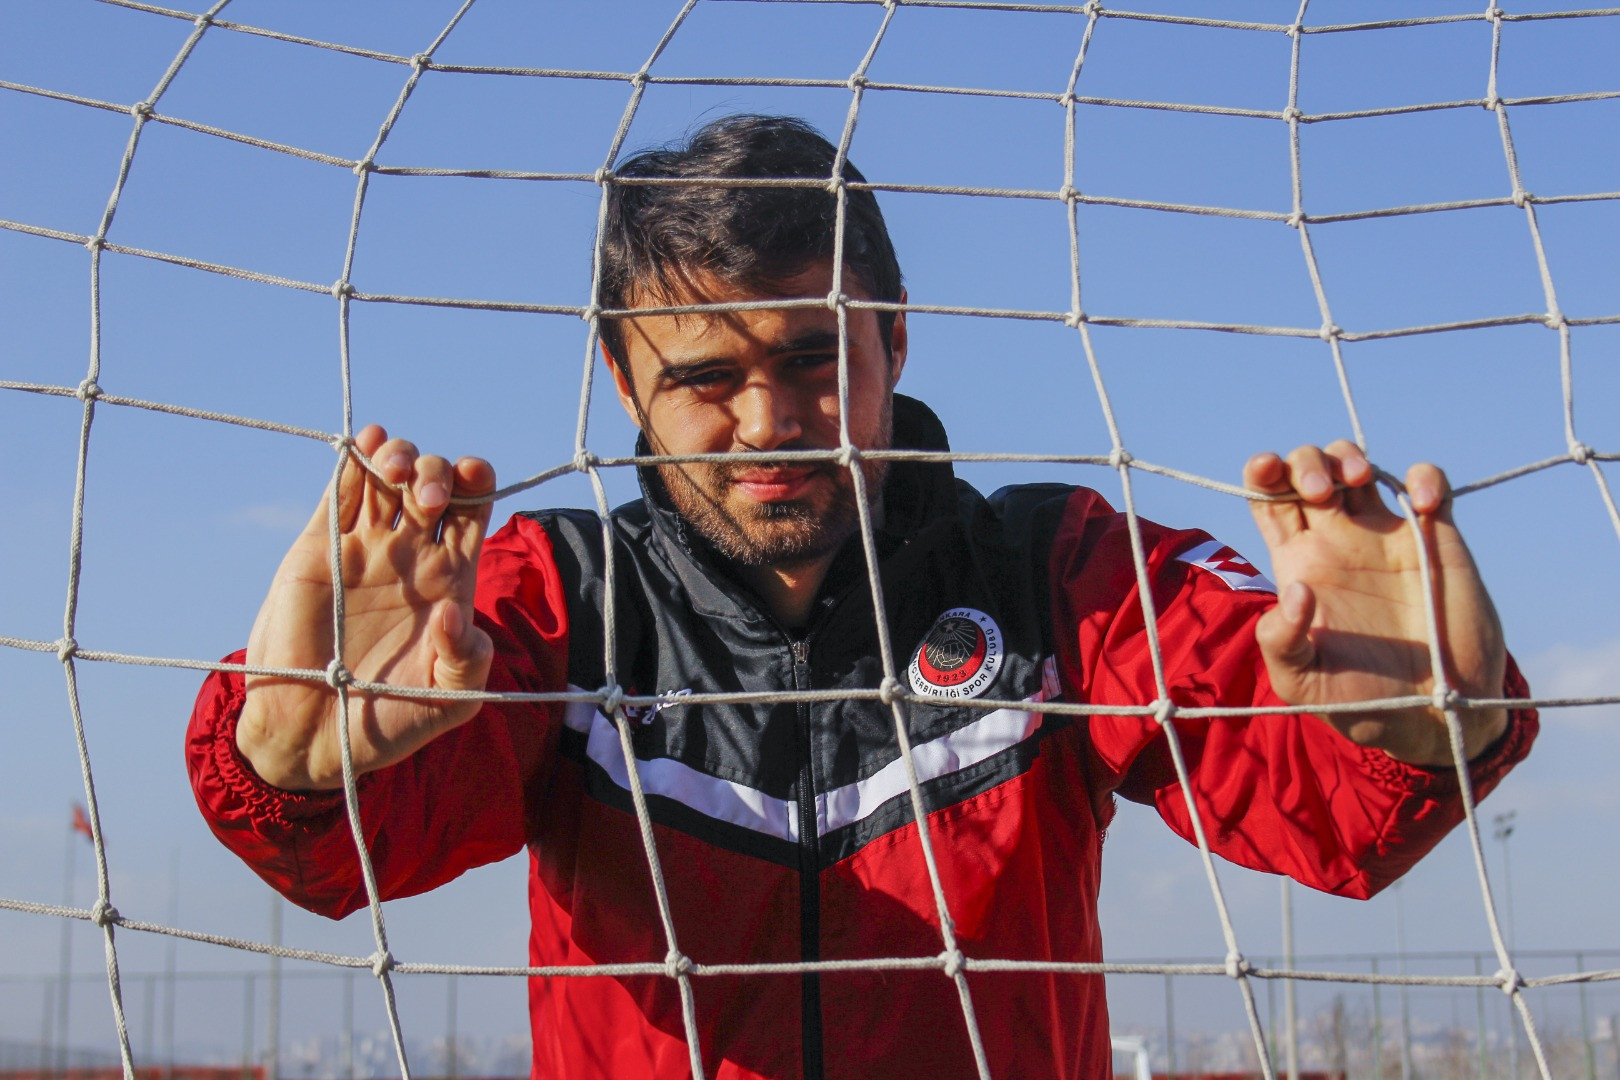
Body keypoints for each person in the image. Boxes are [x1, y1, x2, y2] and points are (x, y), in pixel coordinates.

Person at [186, 115, 1536, 1080]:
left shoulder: (1061, 573)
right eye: (706, 377)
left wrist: (1411, 727)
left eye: (818, 352)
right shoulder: (550, 601)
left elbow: (1328, 810)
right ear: (620, 384)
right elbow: (352, 849)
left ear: (897, 333)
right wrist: (292, 770)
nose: (773, 419)